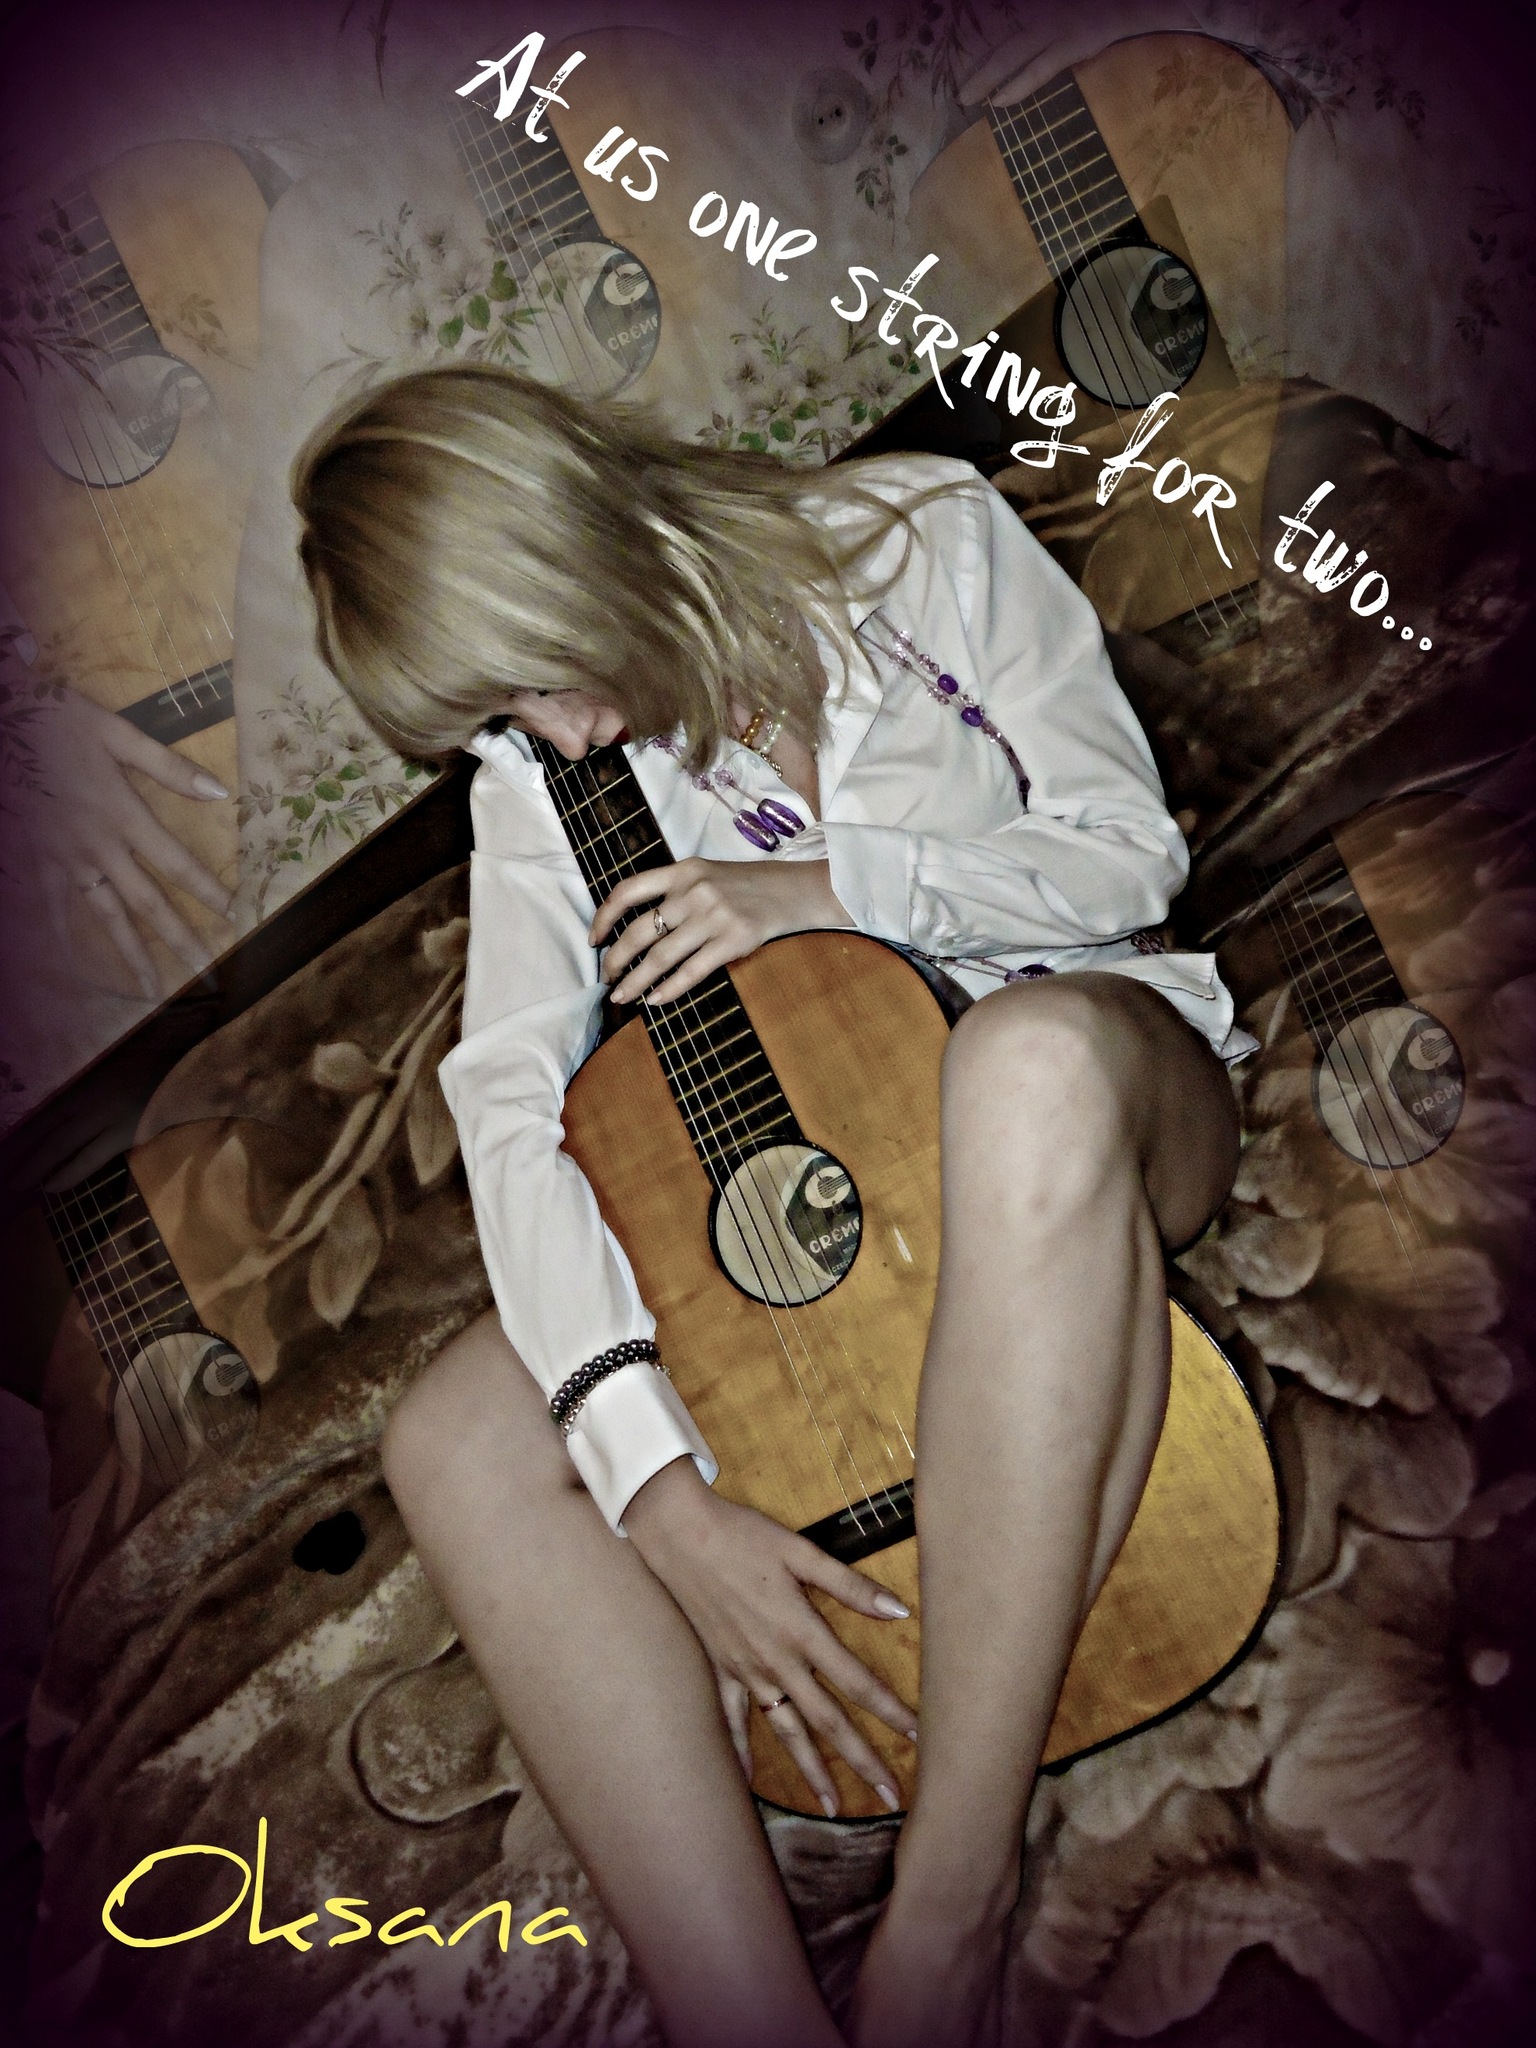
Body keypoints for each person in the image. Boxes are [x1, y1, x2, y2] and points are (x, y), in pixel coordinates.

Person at [291, 362, 1247, 2048]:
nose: (556, 740)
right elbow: (504, 1118)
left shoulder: (926, 537)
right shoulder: (539, 785)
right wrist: (659, 1499)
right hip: (851, 1165)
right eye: (493, 721)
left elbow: (1127, 854)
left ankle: (952, 1897)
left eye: (541, 675)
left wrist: (830, 890)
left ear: (584, 531)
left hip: (1101, 1078)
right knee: (448, 1435)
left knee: (1022, 1067)